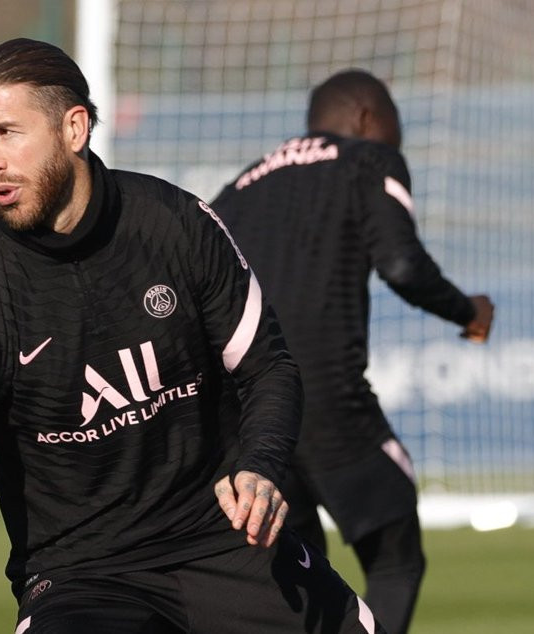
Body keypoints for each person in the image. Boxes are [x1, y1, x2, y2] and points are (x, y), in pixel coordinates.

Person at [0, 39, 382, 634]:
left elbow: (268, 368)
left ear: (73, 127)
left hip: (224, 542)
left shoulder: (177, 224)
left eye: (7, 132)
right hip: (82, 576)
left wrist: (260, 466)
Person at [209, 69, 495, 634]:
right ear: (366, 117)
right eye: (395, 123)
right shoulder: (368, 159)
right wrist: (469, 311)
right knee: (395, 560)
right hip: (328, 402)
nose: (398, 139)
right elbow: (402, 264)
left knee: (308, 586)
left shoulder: (237, 189)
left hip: (250, 419)